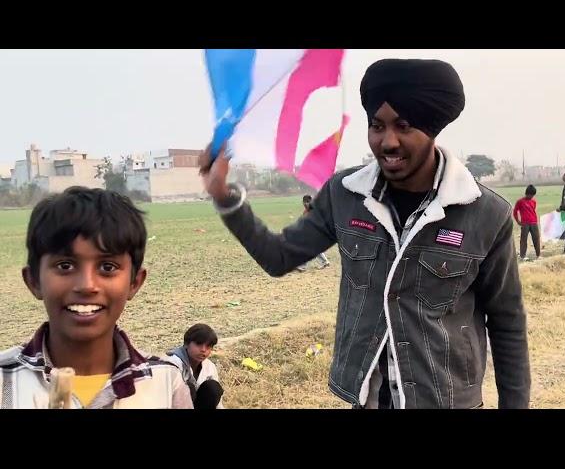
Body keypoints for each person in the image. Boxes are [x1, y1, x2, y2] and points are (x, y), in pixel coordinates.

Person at [200, 58, 530, 409]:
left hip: (446, 399)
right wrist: (224, 196)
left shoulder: (483, 212)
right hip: (368, 399)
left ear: (432, 129)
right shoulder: (345, 195)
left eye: (403, 126)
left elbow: (507, 321)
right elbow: (279, 257)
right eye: (376, 126)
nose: (387, 141)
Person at [0, 187, 192, 409]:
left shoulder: (165, 383)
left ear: (134, 283)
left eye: (107, 267)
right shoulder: (5, 381)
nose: (87, 286)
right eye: (65, 265)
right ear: (33, 280)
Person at [166, 323, 224, 409]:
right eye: (199, 344)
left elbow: (217, 403)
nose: (203, 350)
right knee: (188, 388)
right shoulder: (172, 364)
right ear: (186, 344)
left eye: (208, 346)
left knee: (213, 388)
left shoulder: (209, 367)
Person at [296, 195, 330, 271]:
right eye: (304, 202)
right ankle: (325, 261)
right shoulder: (306, 211)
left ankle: (302, 266)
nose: (305, 204)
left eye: (307, 202)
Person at [513, 184, 541, 260]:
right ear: (526, 193)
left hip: (534, 222)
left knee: (536, 239)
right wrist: (518, 221)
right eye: (530, 195)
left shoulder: (534, 201)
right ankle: (522, 256)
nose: (531, 197)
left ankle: (538, 255)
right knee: (523, 240)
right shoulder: (520, 201)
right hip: (525, 223)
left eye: (533, 195)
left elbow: (533, 210)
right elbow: (515, 212)